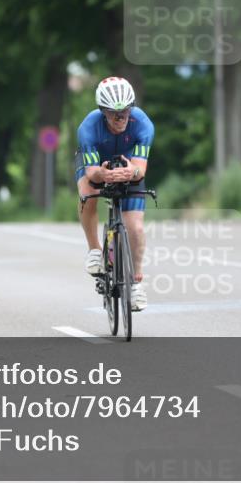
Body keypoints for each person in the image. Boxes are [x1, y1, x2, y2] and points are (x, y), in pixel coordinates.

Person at [75, 76, 154, 311]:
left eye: (125, 112)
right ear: (102, 111)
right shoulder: (88, 128)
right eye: (112, 113)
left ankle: (136, 282)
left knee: (136, 228)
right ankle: (94, 250)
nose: (120, 118)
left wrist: (132, 172)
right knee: (87, 193)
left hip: (129, 166)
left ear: (132, 109)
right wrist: (103, 174)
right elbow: (91, 173)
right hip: (97, 165)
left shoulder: (143, 125)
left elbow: (140, 169)